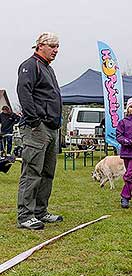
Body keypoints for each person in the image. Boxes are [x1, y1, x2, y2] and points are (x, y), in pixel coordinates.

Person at [16, 32, 63, 230]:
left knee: (47, 172)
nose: (56, 50)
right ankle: (25, 215)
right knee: (32, 171)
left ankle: (40, 211)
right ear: (40, 45)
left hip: (51, 127)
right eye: (52, 46)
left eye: (58, 46)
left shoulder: (48, 69)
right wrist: (35, 121)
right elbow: (24, 92)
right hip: (37, 126)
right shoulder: (30, 65)